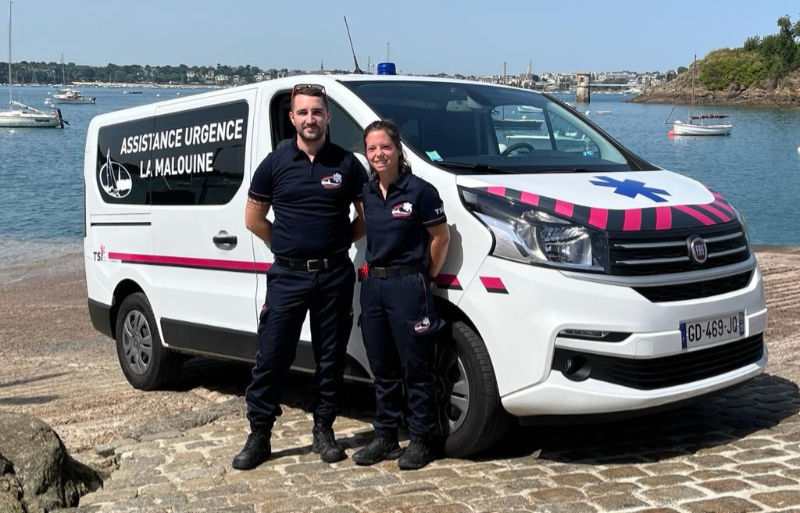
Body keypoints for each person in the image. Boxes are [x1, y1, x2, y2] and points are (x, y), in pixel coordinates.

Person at [232, 84, 368, 470]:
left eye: (317, 112)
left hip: (334, 275)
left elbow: (366, 216)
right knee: (272, 357)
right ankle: (259, 436)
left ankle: (323, 430)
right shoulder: (274, 164)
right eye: (303, 112)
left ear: (328, 117)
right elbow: (253, 219)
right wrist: (286, 247)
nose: (311, 119)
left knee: (330, 358)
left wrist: (339, 240)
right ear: (292, 118)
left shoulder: (346, 164)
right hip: (288, 278)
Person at [352, 120, 450, 470]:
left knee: (415, 367)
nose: (379, 154)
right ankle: (386, 436)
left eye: (385, 147)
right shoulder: (365, 193)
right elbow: (360, 228)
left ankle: (422, 439)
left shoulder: (420, 191)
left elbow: (441, 238)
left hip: (409, 285)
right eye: (372, 148)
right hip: (373, 286)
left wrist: (426, 277)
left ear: (398, 150)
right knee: (382, 366)